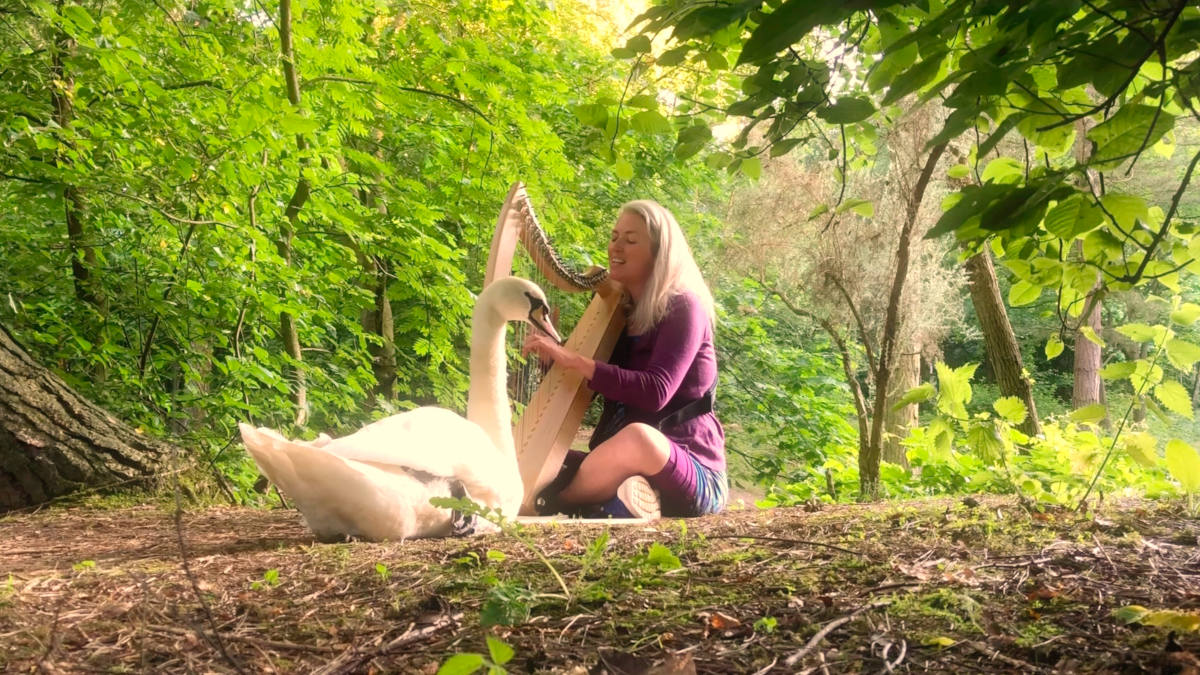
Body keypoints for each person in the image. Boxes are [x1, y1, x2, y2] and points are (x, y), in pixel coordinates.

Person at [522, 199, 727, 519]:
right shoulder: (619, 314)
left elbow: (655, 392)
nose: (616, 246)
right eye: (614, 236)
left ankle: (548, 500)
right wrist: (552, 357)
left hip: (690, 469)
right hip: (620, 459)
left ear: (660, 254)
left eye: (631, 240)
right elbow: (590, 385)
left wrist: (573, 359)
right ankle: (620, 499)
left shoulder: (684, 307)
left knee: (638, 437)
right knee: (530, 451)